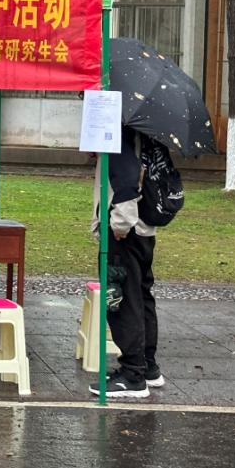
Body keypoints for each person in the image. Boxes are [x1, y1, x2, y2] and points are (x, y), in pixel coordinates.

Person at [89, 126, 166, 399]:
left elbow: (126, 178)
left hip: (124, 230)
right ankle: (147, 366)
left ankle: (133, 374)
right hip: (144, 229)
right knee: (141, 297)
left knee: (122, 301)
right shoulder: (146, 129)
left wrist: (119, 223)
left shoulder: (116, 126)